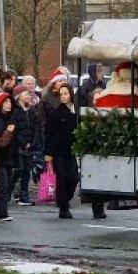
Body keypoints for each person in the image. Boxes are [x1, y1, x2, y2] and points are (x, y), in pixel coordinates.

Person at [46, 83, 106, 220]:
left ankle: (64, 199)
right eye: (61, 95)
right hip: (58, 152)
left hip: (71, 151)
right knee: (62, 178)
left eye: (66, 94)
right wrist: (48, 153)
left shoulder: (77, 112)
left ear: (71, 95)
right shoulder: (55, 113)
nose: (63, 97)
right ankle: (63, 207)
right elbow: (48, 133)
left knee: (73, 178)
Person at [0, 92, 18, 221]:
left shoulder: (12, 118)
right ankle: (1, 212)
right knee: (3, 185)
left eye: (10, 102)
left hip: (10, 157)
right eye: (6, 102)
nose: (9, 105)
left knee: (8, 184)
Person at [12, 85, 41, 206]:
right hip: (20, 146)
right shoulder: (15, 111)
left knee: (27, 171)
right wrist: (24, 143)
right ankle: (11, 190)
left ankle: (24, 195)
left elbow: (36, 127)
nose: (28, 96)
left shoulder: (32, 111)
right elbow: (15, 130)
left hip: (30, 146)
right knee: (19, 170)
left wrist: (33, 142)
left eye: (28, 94)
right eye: (25, 94)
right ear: (19, 96)